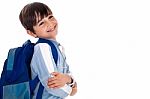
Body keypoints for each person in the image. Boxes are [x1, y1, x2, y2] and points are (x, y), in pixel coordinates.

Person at [19, 2, 77, 99]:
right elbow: (53, 86)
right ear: (32, 33)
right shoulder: (42, 48)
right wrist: (72, 90)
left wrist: (69, 80)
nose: (50, 24)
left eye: (50, 17)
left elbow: (67, 74)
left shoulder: (59, 48)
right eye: (41, 23)